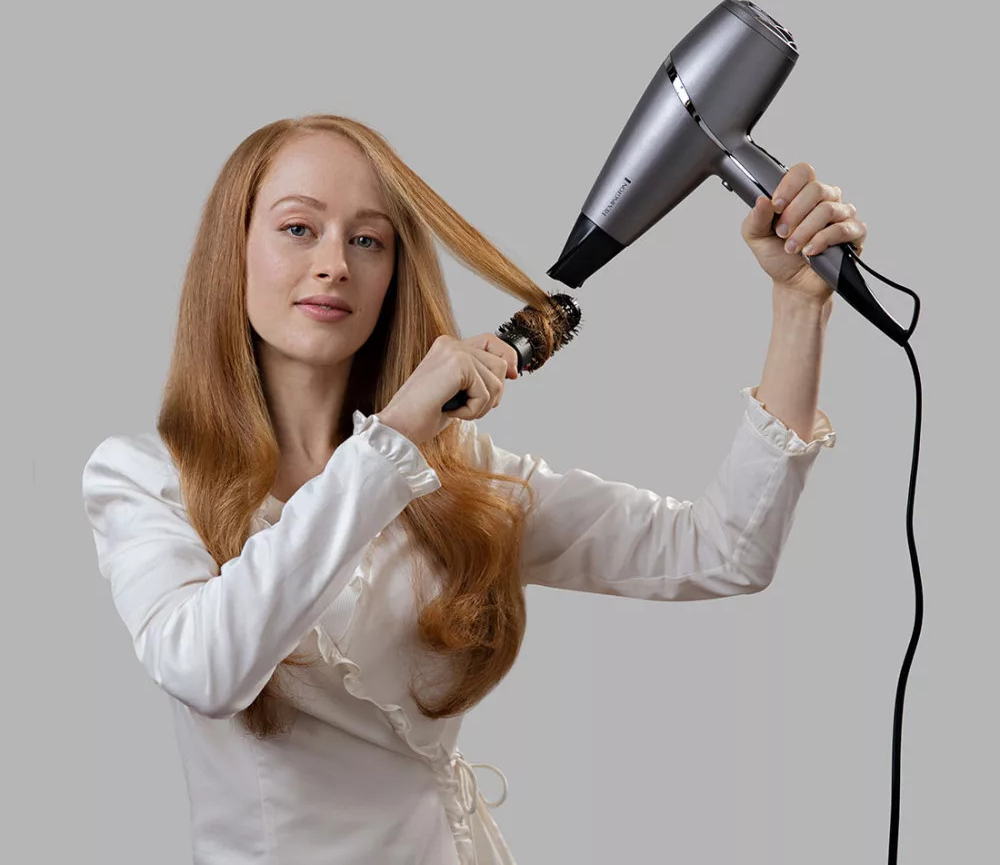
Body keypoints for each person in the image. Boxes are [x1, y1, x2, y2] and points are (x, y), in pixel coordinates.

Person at [81, 114, 864, 864]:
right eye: (298, 228)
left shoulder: (456, 479)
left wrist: (799, 308)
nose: (335, 263)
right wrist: (392, 438)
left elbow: (723, 550)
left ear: (393, 274)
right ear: (235, 249)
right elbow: (206, 669)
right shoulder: (144, 479)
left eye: (367, 239)